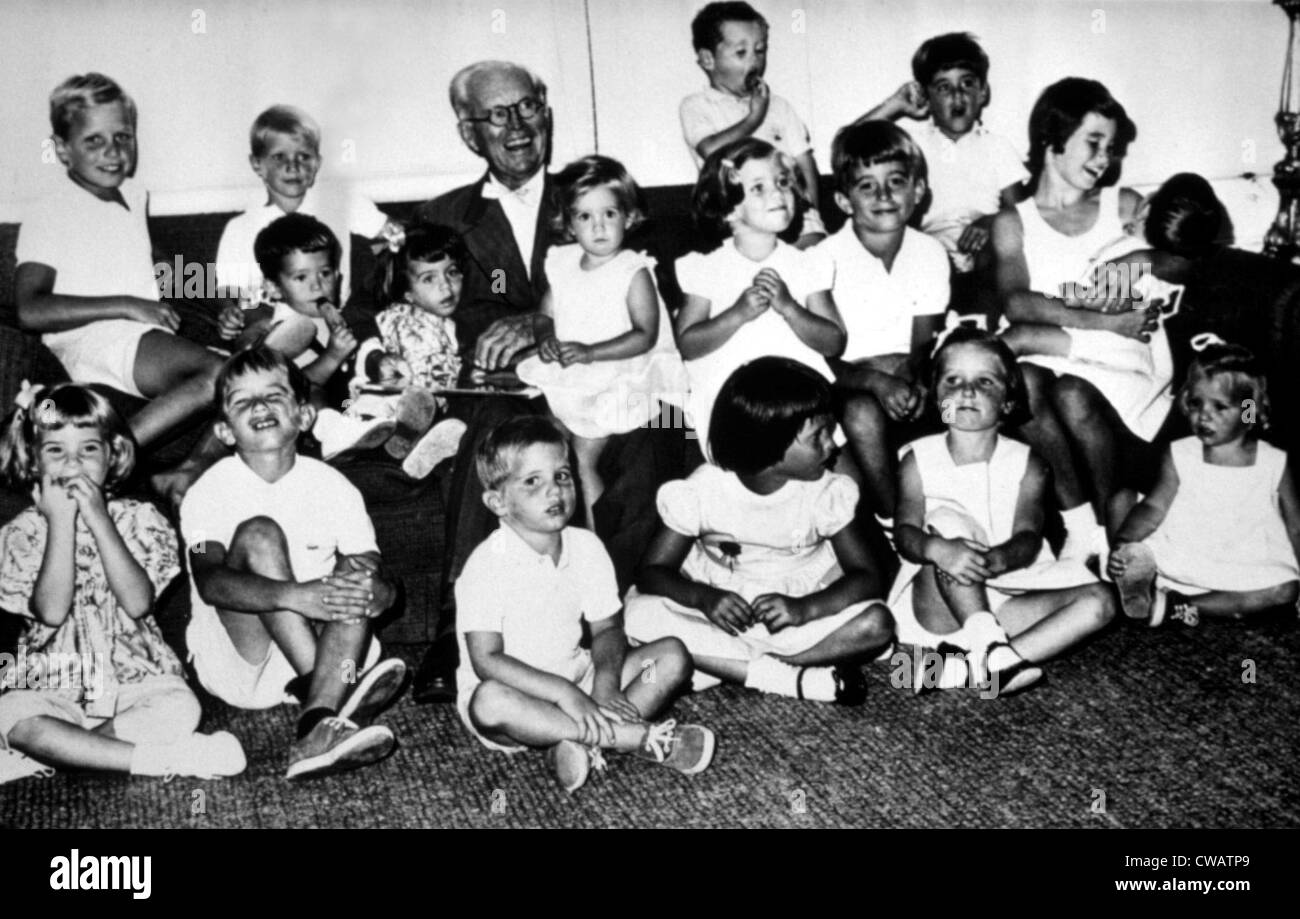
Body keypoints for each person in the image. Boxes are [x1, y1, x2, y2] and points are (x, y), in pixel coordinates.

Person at [411, 61, 686, 703]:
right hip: (508, 383)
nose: (517, 126)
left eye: (528, 107)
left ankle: (606, 624)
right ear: (467, 131)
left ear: (548, 113)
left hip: (606, 371)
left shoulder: (595, 189)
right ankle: (458, 634)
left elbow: (646, 302)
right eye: (497, 114)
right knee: (494, 439)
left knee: (653, 433)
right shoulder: (444, 216)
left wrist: (544, 323)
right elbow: (401, 300)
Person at [180, 346, 406, 780]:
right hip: (242, 662)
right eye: (242, 401)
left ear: (304, 417)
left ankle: (317, 724)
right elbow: (210, 583)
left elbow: (371, 569)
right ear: (225, 431)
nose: (260, 406)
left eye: (273, 395)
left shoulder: (332, 485)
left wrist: (383, 592)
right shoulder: (208, 491)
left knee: (357, 572)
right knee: (260, 533)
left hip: (330, 654)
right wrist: (298, 597)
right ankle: (336, 694)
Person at [0, 383, 245, 783]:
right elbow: (51, 611)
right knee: (13, 715)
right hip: (54, 684)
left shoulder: (139, 518)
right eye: (56, 451)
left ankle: (67, 753)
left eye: (88, 450)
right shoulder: (22, 533)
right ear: (33, 461)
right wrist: (60, 523)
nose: (73, 464)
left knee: (182, 709)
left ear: (112, 454)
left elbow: (137, 603)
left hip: (138, 679)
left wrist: (98, 518)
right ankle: (165, 760)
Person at [456, 415, 714, 793]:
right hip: (518, 695)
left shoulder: (586, 546)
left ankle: (574, 739)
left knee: (671, 657)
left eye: (562, 475)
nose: (555, 491)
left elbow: (607, 628)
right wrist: (565, 695)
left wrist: (605, 686)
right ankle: (629, 737)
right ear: (498, 501)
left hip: (582, 677)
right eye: (533, 482)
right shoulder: (485, 565)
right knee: (489, 702)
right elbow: (487, 660)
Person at [627, 357, 893, 704]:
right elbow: (651, 572)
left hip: (798, 605)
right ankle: (789, 678)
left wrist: (804, 609)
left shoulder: (825, 491)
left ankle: (727, 664)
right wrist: (703, 599)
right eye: (819, 436)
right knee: (636, 616)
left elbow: (867, 576)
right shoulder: (703, 491)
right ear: (770, 445)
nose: (833, 446)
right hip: (719, 604)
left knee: (878, 624)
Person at [14, 73, 225, 498]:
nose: (113, 152)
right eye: (94, 141)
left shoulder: (132, 195)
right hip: (92, 339)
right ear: (62, 149)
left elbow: (154, 265)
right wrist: (127, 304)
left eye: (123, 137)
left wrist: (221, 304)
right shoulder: (52, 209)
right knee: (219, 373)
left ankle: (186, 473)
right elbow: (30, 308)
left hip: (139, 336)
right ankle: (106, 457)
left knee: (257, 373)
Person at [890, 328, 1113, 697]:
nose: (967, 391)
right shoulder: (918, 459)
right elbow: (904, 532)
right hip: (941, 601)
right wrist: (935, 549)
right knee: (948, 522)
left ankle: (976, 667)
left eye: (984, 381)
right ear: (936, 398)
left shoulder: (1028, 463)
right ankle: (987, 643)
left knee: (1101, 602)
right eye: (953, 381)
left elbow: (1027, 539)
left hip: (1006, 591)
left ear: (1008, 402)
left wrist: (995, 561)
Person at [990, 77, 1162, 549]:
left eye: (1112, 146)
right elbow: (1017, 303)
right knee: (1028, 379)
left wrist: (1106, 308)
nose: (1105, 158)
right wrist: (1103, 316)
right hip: (1062, 350)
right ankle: (1083, 531)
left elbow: (1165, 274)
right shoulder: (1013, 222)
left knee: (1070, 390)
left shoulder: (1123, 206)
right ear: (1053, 136)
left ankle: (1118, 535)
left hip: (1117, 356)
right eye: (1093, 142)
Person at [516, 155, 686, 526]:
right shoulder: (562, 263)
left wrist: (591, 352)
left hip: (620, 371)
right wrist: (546, 337)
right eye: (585, 217)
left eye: (609, 214)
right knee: (543, 440)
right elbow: (545, 313)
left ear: (628, 216)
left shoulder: (632, 270)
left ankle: (600, 544)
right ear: (568, 224)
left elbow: (645, 335)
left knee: (582, 457)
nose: (599, 227)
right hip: (575, 371)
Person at [1108, 339, 1300, 626]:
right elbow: (1154, 506)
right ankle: (1147, 586)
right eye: (1196, 403)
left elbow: (1296, 524)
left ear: (1248, 410)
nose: (1203, 415)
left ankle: (1177, 607)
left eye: (1219, 407)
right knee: (1121, 502)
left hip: (1244, 557)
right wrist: (1125, 543)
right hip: (1184, 550)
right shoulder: (1180, 452)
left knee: (1283, 589)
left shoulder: (1274, 461)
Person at [676, 137, 846, 454]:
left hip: (800, 401)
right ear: (728, 209)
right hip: (730, 403)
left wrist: (790, 308)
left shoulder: (808, 263)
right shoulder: (706, 268)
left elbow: (834, 342)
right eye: (758, 187)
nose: (778, 192)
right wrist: (736, 315)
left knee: (844, 486)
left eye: (782, 182)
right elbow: (687, 344)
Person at [818, 120, 949, 522]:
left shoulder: (929, 252)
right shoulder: (823, 259)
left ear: (918, 191)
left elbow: (923, 344)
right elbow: (823, 361)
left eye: (895, 181)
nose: (884, 195)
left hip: (910, 375)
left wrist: (914, 378)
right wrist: (877, 381)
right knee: (860, 413)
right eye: (867, 186)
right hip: (846, 383)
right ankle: (894, 522)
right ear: (843, 200)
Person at [857, 32, 1027, 273]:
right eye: (943, 87)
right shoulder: (912, 144)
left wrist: (991, 222)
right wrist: (895, 105)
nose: (957, 95)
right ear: (926, 97)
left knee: (1001, 252)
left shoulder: (997, 146)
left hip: (986, 249)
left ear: (983, 92)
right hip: (928, 252)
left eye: (967, 83)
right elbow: (849, 144)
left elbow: (1023, 212)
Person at [324, 219, 469, 479]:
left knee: (433, 419)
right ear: (408, 294)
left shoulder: (453, 328)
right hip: (384, 398)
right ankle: (348, 442)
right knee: (377, 413)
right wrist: (377, 359)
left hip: (423, 409)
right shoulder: (398, 318)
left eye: (453, 272)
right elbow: (368, 345)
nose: (445, 286)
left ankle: (412, 453)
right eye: (429, 278)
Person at [213, 104, 393, 312]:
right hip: (267, 322)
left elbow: (397, 234)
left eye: (304, 156)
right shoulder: (240, 229)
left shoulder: (342, 204)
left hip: (334, 317)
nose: (293, 166)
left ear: (317, 163)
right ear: (257, 164)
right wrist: (228, 310)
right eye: (279, 157)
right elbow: (228, 290)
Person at [680, 1, 825, 247]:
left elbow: (804, 160)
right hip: (741, 225)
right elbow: (710, 150)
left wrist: (810, 211)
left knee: (811, 259)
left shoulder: (779, 106)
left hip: (794, 217)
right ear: (708, 59)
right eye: (741, 53)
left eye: (760, 50)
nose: (755, 61)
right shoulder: (698, 105)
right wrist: (753, 118)